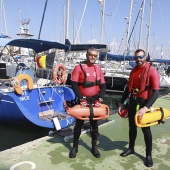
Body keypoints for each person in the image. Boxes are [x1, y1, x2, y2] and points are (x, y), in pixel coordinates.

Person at [118, 49, 160, 167]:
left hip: (144, 103)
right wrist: (121, 103)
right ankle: (131, 148)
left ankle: (148, 156)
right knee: (132, 126)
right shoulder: (133, 71)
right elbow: (128, 89)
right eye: (136, 57)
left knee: (146, 130)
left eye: (141, 57)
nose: (138, 59)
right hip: (133, 101)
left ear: (145, 57)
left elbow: (156, 92)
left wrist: (146, 107)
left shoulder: (152, 71)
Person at [69, 47, 106, 158]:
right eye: (91, 55)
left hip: (95, 100)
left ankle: (94, 147)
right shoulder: (78, 68)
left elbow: (103, 85)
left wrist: (100, 98)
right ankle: (75, 147)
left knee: (94, 125)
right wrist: (81, 98)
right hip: (82, 100)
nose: (93, 57)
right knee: (78, 125)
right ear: (87, 55)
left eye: (95, 56)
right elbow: (74, 84)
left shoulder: (98, 68)